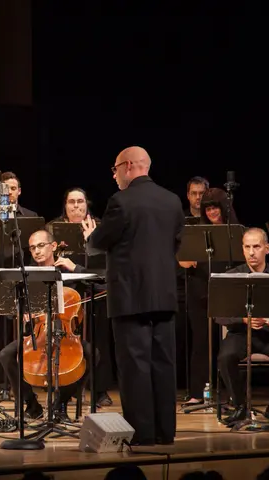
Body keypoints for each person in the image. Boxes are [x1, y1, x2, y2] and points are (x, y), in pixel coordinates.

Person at [82, 146, 184, 445]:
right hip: (164, 295)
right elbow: (175, 243)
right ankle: (166, 432)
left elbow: (100, 241)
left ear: (127, 166)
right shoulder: (172, 200)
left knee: (135, 367)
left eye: (115, 169)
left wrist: (90, 235)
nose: (114, 176)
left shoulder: (121, 201)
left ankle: (142, 434)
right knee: (164, 365)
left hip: (130, 298)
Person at [0, 229, 94, 422]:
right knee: (6, 355)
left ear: (53, 246)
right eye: (33, 247)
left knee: (92, 354)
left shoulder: (68, 271)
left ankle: (60, 404)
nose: (36, 251)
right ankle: (32, 405)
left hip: (65, 335)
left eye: (41, 246)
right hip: (37, 335)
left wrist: (76, 269)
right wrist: (21, 311)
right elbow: (9, 310)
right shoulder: (25, 276)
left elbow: (101, 284)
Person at [47, 187, 114, 407]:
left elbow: (105, 266)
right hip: (66, 294)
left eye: (80, 202)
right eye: (71, 202)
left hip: (94, 291)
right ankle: (68, 386)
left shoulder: (100, 228)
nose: (76, 206)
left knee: (99, 340)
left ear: (87, 204)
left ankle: (99, 390)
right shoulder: (53, 229)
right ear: (65, 206)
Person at [179, 187, 241, 406]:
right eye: (208, 208)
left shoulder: (234, 231)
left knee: (227, 342)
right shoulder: (197, 232)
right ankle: (199, 391)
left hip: (226, 291)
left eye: (215, 207)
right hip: (199, 291)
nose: (212, 212)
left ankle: (228, 392)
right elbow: (182, 259)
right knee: (200, 342)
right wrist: (183, 260)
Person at [216, 228, 269, 426]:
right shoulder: (232, 276)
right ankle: (241, 407)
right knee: (226, 357)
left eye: (256, 246)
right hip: (240, 333)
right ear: (242, 249)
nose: (251, 252)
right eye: (247, 247)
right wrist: (244, 320)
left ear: (266, 249)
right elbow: (219, 314)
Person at [0, 171, 38, 399]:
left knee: (22, 334)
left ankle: (23, 383)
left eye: (13, 188)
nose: (9, 192)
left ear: (19, 191)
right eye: (5, 188)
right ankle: (2, 385)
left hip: (22, 280)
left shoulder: (29, 216)